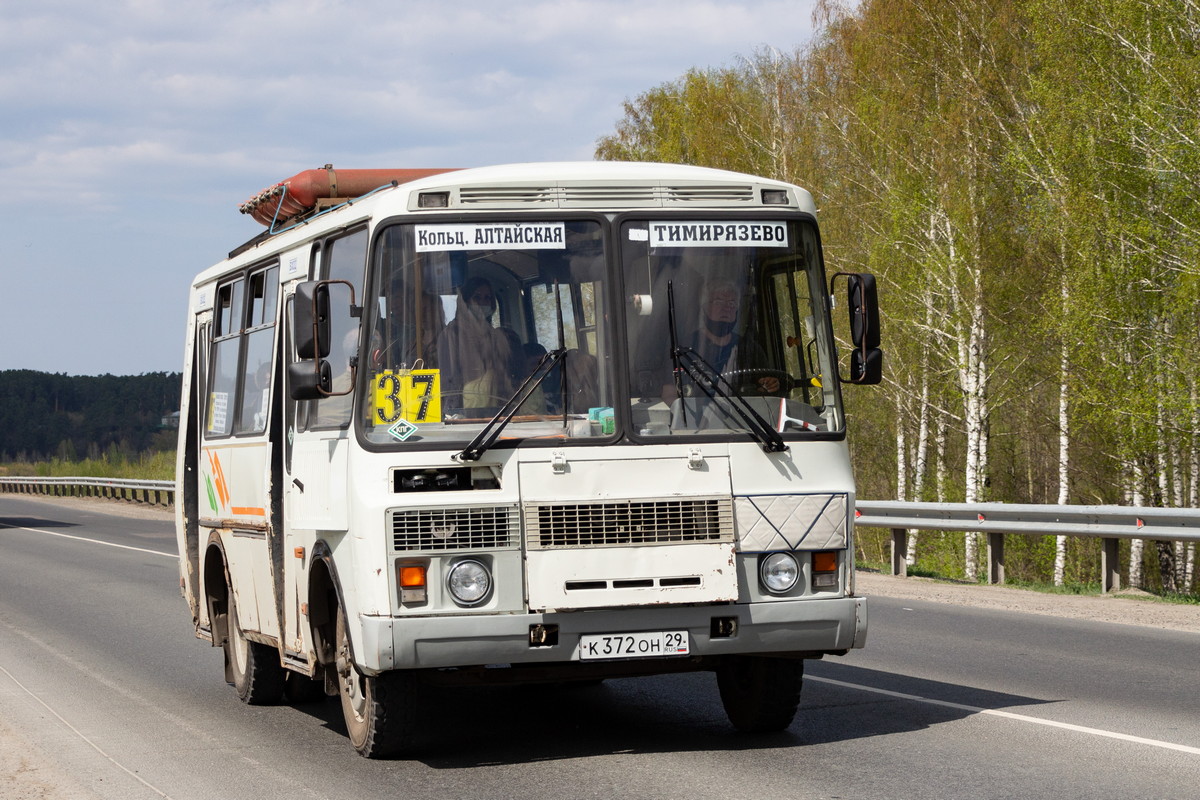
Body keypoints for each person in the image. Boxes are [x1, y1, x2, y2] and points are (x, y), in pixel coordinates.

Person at [437, 277, 517, 412]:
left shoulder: (495, 335)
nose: (482, 302)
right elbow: (448, 379)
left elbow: (505, 373)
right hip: (464, 406)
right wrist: (454, 411)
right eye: (477, 297)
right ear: (465, 301)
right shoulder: (451, 335)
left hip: (496, 403)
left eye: (487, 298)